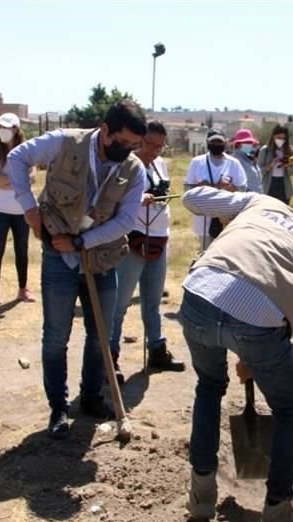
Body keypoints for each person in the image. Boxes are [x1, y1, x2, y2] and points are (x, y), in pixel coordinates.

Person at [178, 186, 293, 522]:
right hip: (258, 317)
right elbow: (291, 328)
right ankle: (278, 514)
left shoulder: (266, 203)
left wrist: (229, 204)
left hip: (199, 292)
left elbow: (191, 200)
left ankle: (201, 500)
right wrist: (253, 358)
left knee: (209, 387)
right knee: (287, 409)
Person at [7, 100, 148, 439]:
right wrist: (29, 210)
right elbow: (16, 159)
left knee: (104, 335)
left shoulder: (134, 170)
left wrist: (84, 242)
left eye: (133, 145)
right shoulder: (65, 143)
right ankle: (58, 407)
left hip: (101, 258)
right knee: (56, 337)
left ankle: (90, 398)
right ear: (105, 131)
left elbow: (127, 220)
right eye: (123, 142)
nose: (128, 150)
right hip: (59, 256)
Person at [110, 120, 184, 380]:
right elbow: (113, 198)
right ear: (140, 140)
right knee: (119, 303)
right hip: (133, 239)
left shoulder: (160, 164)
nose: (154, 150)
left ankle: (157, 350)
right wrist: (138, 199)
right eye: (150, 144)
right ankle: (110, 358)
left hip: (159, 237)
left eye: (159, 146)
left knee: (152, 302)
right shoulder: (127, 165)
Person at [0, 112, 34, 306]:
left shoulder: (27, 151)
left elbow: (31, 177)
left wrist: (7, 182)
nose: (2, 131)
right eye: (0, 127)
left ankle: (23, 289)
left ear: (16, 129)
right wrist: (17, 180)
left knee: (22, 249)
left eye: (6, 127)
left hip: (22, 210)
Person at [183, 129, 247, 249]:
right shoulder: (197, 162)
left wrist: (230, 188)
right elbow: (187, 189)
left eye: (220, 141)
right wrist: (200, 187)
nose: (217, 144)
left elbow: (243, 190)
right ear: (207, 143)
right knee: (206, 253)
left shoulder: (234, 163)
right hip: (204, 220)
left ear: (225, 143)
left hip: (227, 220)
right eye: (214, 142)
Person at [256, 124, 293, 204]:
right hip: (269, 185)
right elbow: (259, 171)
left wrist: (287, 166)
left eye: (284, 138)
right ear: (273, 136)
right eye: (279, 138)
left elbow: (292, 172)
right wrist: (271, 165)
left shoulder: (290, 150)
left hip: (284, 186)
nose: (281, 140)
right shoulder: (265, 150)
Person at [230, 129, 263, 193]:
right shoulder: (235, 161)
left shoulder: (249, 158)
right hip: (246, 199)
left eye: (250, 142)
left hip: (257, 198)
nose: (249, 144)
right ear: (238, 144)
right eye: (246, 142)